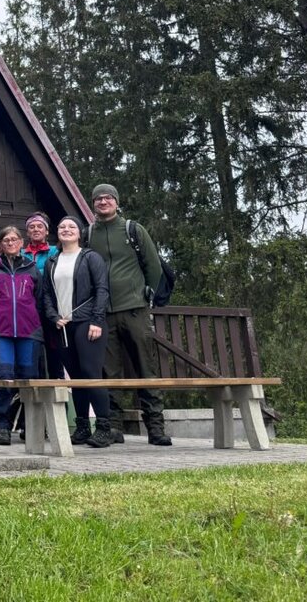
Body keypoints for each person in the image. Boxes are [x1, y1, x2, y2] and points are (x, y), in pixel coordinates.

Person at [85, 184, 172, 446]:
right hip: (104, 313)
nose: (103, 201)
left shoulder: (133, 229)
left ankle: (155, 427)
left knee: (145, 367)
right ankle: (112, 427)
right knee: (108, 372)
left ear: (116, 201)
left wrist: (148, 295)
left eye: (108, 197)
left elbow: (153, 265)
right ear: (93, 204)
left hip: (135, 308)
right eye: (98, 198)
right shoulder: (89, 233)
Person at [42, 216, 113, 448]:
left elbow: (102, 289)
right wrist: (54, 317)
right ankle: (82, 426)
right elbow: (46, 295)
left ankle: (104, 427)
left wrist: (97, 320)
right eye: (61, 226)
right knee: (76, 377)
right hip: (64, 326)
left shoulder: (90, 257)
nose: (66, 230)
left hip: (88, 323)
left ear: (79, 233)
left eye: (71, 226)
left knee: (91, 373)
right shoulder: (53, 261)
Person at [0, 225, 46, 446]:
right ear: (1, 243)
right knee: (2, 378)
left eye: (14, 239)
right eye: (6, 240)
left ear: (21, 243)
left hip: (29, 332)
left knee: (30, 378)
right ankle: (1, 426)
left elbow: (40, 297)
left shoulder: (31, 268)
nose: (10, 243)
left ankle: (30, 425)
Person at [22, 212, 63, 380]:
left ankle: (59, 394)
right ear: (27, 232)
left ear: (47, 231)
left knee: (55, 352)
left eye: (40, 226)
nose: (36, 229)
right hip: (29, 310)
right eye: (32, 227)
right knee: (33, 353)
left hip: (51, 308)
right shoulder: (21, 254)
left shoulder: (56, 251)